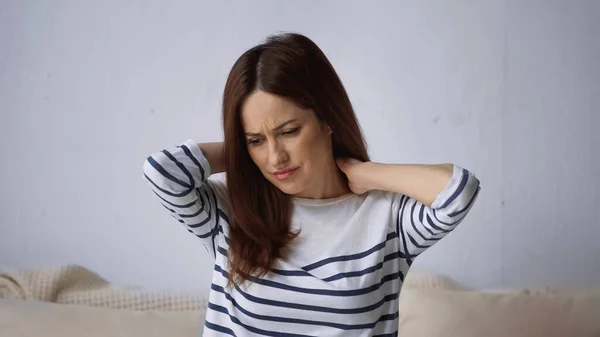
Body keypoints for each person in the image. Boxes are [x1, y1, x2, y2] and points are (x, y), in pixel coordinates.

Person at [143, 32, 481, 336]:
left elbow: (456, 190)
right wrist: (242, 154)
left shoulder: (388, 217)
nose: (275, 158)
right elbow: (163, 171)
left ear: (328, 119)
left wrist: (365, 173)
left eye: (289, 132)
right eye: (256, 140)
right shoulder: (229, 212)